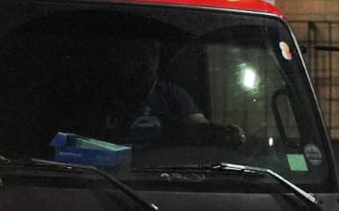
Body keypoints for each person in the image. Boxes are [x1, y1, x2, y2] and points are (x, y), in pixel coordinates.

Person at [102, 39, 244, 148]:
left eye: (153, 53)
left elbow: (198, 126)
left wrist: (223, 133)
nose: (147, 61)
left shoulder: (171, 94)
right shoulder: (101, 94)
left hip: (161, 174)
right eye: (138, 54)